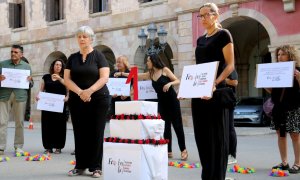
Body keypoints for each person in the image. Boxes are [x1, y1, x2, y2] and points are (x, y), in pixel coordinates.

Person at [115, 53, 188, 161]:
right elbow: (137, 75)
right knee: (165, 126)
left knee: (177, 125)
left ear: (153, 61)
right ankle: (169, 150)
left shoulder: (165, 70)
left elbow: (177, 80)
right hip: (162, 102)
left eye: (148, 61)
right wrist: (122, 73)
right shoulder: (150, 73)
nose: (147, 62)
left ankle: (183, 150)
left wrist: (169, 84)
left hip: (172, 101)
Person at [193, 3, 235, 180]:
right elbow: (198, 68)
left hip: (217, 94)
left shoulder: (223, 35)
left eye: (206, 15)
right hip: (199, 95)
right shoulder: (200, 40)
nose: (202, 19)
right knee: (202, 139)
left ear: (216, 15)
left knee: (217, 141)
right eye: (200, 16)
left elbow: (230, 64)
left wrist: (215, 83)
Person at [64, 26, 110, 178]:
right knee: (80, 132)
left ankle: (96, 167)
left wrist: (89, 91)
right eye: (79, 36)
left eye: (84, 36)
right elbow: (67, 79)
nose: (81, 39)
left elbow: (104, 78)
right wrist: (80, 92)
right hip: (77, 100)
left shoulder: (99, 56)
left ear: (91, 38)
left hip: (98, 99)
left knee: (96, 132)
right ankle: (80, 166)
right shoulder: (72, 58)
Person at [265, 45, 300, 174]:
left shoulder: (297, 70)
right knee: (281, 135)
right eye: (278, 55)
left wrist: (298, 78)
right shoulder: (276, 70)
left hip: (293, 107)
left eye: (283, 54)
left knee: (295, 135)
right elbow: (274, 92)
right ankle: (284, 163)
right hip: (279, 107)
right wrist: (265, 85)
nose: (280, 57)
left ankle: (298, 163)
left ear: (290, 55)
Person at [0, 45, 34, 155]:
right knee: (2, 122)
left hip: (20, 96)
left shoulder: (27, 67)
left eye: (15, 52)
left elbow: (31, 84)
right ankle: (1, 147)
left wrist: (30, 81)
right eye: (12, 52)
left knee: (19, 122)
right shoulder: (3, 64)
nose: (13, 54)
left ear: (21, 54)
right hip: (4, 95)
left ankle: (18, 146)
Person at [36, 59, 69, 154]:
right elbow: (41, 90)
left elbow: (68, 90)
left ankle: (58, 147)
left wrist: (67, 97)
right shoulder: (46, 77)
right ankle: (48, 147)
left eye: (60, 65)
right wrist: (38, 96)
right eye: (56, 64)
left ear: (62, 67)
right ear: (53, 66)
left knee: (60, 126)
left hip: (60, 105)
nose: (58, 66)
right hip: (47, 106)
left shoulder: (64, 78)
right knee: (47, 125)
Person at [225, 70, 238, 165]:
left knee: (229, 128)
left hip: (227, 101)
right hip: (215, 100)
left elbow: (234, 82)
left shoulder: (229, 67)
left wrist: (220, 79)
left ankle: (232, 155)